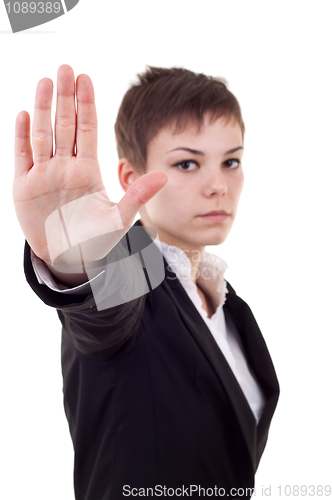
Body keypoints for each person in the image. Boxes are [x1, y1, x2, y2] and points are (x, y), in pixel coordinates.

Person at [13, 64, 279, 499]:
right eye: (188, 162)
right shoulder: (131, 271)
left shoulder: (232, 306)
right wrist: (80, 263)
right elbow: (103, 316)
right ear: (131, 178)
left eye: (231, 161)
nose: (218, 185)